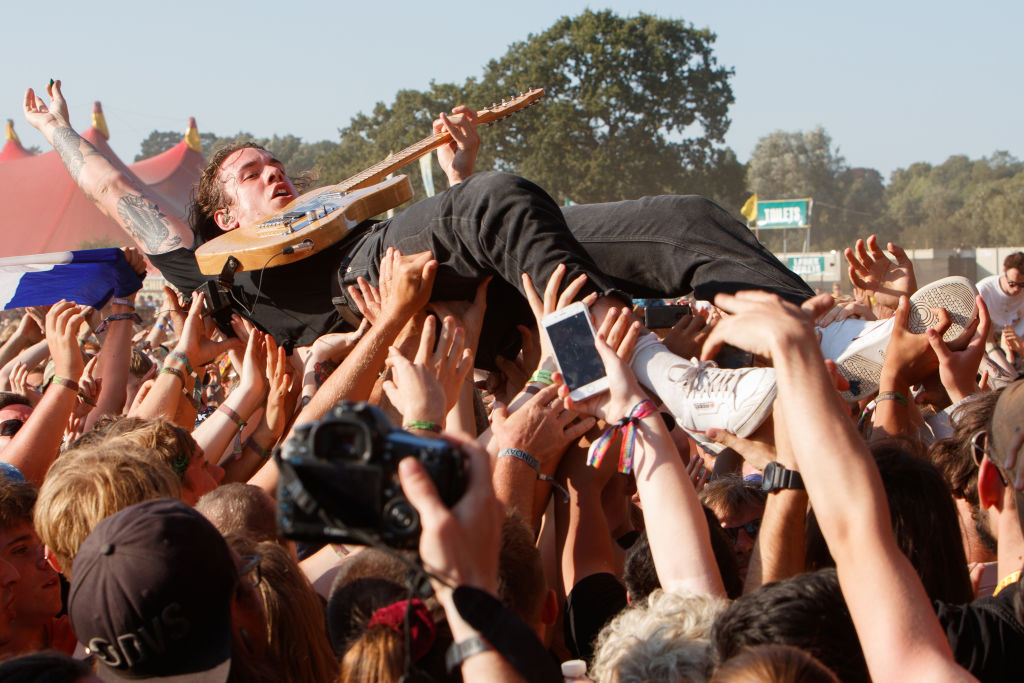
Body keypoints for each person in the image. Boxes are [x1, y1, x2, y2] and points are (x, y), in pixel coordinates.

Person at [24, 79, 809, 443]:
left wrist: (457, 174)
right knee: (496, 197)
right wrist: (60, 130)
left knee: (683, 217)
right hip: (388, 275)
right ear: (221, 215)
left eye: (276, 163)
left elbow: (476, 234)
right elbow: (111, 188)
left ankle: (820, 341)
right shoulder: (215, 272)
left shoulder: (344, 217)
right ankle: (639, 373)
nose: (276, 173)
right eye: (251, 173)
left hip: (465, 267)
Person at [976, 252, 1024, 366]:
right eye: (1012, 284)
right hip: (986, 346)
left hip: (1015, 347)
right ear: (1004, 271)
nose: (1017, 289)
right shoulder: (983, 290)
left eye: (1022, 285)